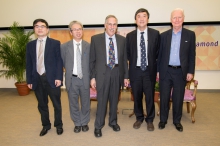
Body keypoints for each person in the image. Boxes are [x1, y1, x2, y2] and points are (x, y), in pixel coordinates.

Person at [90, 15, 129, 138]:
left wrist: (126, 76)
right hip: (103, 73)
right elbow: (92, 60)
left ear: (117, 26)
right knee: (101, 101)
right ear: (105, 25)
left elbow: (124, 61)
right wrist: (92, 77)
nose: (112, 27)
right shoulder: (96, 39)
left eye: (114, 24)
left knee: (114, 100)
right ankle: (98, 126)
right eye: (110, 24)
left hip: (117, 72)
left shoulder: (122, 40)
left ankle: (113, 122)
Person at [157, 8, 196, 132]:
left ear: (183, 19)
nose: (177, 20)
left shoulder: (190, 35)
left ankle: (177, 121)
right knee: (164, 97)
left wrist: (190, 71)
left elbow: (191, 55)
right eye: (175, 17)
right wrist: (158, 71)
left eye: (179, 17)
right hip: (165, 71)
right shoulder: (163, 36)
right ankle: (163, 120)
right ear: (171, 20)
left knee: (178, 98)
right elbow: (159, 55)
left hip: (180, 72)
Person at [26, 19, 63, 136]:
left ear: (47, 30)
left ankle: (58, 125)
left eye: (42, 26)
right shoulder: (30, 45)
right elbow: (29, 63)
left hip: (52, 79)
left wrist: (59, 77)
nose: (40, 28)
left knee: (56, 104)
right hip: (37, 79)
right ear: (34, 29)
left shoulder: (55, 43)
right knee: (42, 104)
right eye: (37, 26)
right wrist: (29, 80)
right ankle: (46, 125)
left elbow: (59, 62)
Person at [126, 8, 160, 131]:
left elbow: (157, 53)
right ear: (135, 20)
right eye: (139, 16)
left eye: (144, 16)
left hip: (149, 71)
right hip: (135, 71)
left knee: (150, 96)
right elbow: (128, 54)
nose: (141, 18)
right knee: (137, 96)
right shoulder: (130, 36)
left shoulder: (155, 34)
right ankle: (139, 118)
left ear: (148, 19)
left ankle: (150, 120)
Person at [61, 21, 90, 133]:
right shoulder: (64, 47)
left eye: (80, 29)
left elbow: (91, 64)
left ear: (82, 31)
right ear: (70, 32)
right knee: (73, 102)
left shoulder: (89, 45)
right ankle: (77, 123)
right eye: (75, 29)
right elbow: (63, 62)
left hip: (85, 79)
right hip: (72, 79)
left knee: (85, 102)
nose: (78, 31)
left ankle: (85, 122)